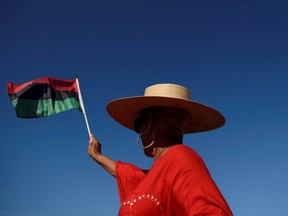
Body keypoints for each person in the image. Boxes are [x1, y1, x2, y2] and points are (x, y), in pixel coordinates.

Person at [88, 83, 233, 215]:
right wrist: (98, 156)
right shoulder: (154, 176)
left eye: (138, 125)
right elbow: (124, 172)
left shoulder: (181, 157)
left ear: (149, 121)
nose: (138, 131)